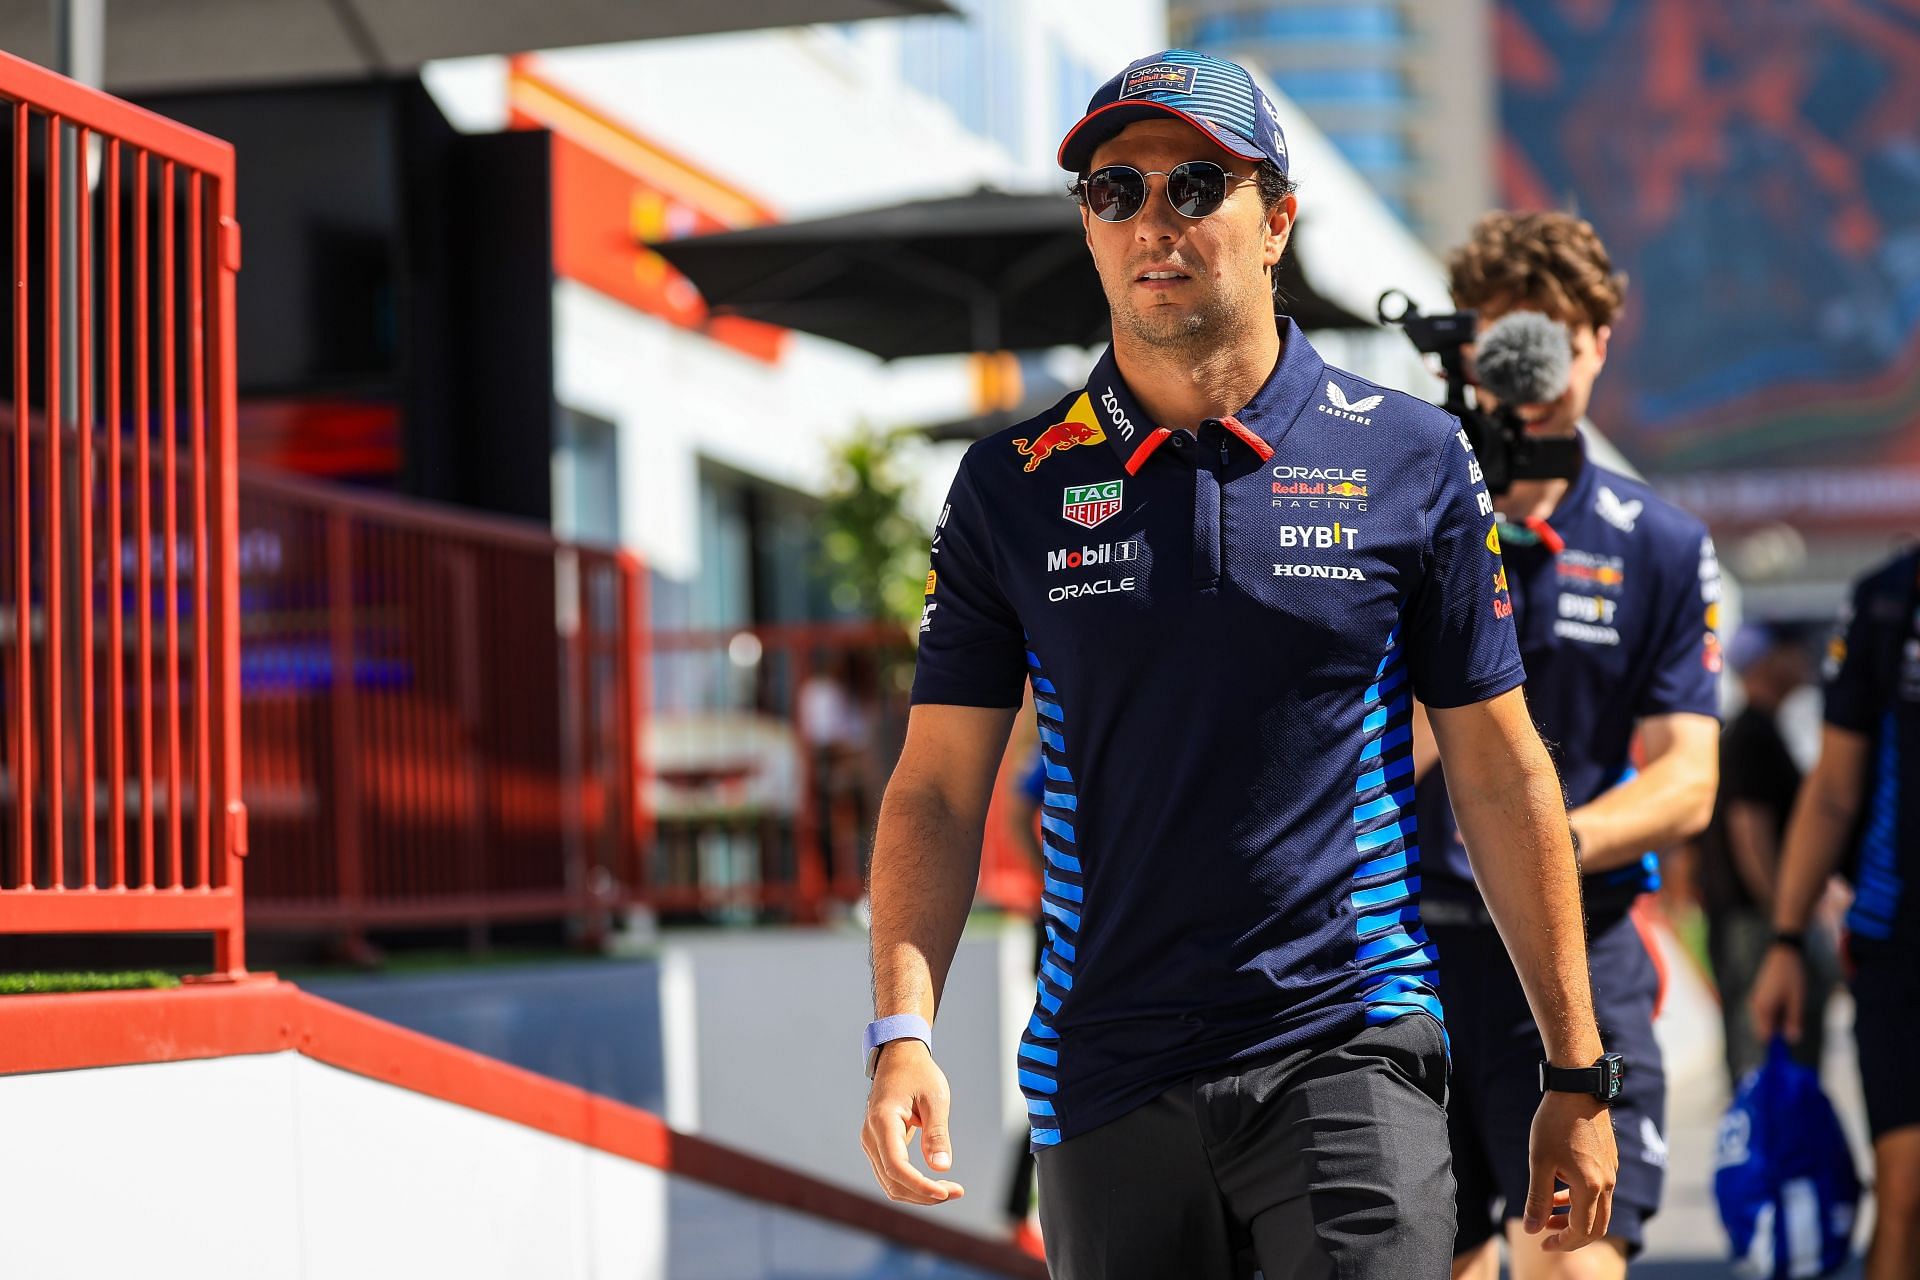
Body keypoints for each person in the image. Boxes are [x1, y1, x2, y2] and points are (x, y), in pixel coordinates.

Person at [857, 50, 1618, 1279]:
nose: (1153, 222)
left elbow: (1499, 770)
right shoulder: (1010, 486)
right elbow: (937, 787)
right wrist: (903, 1026)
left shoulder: (1412, 456)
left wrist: (1575, 1069)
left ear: (1276, 220)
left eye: (1195, 184)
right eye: (1116, 191)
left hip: (1348, 1044)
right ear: (1089, 230)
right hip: (1105, 1069)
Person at [1410, 211, 1722, 1280]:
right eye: (1506, 340)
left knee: (1574, 1265)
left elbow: (1689, 778)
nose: (1532, 368)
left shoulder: (1662, 543)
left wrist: (1537, 845)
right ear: (1466, 351)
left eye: (1559, 337)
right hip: (1405, 960)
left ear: (1599, 343)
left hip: (1580, 955)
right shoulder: (1400, 518)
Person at [1752, 544, 1920, 1280]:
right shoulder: (1889, 597)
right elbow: (1832, 790)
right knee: (1908, 1192)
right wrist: (1786, 941)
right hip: (1903, 941)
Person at [1698, 624, 1830, 1086]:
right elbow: (1749, 833)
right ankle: (1769, 1153)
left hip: (1750, 919)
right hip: (1755, 922)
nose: (1802, 659)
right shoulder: (1751, 733)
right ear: (1766, 663)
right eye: (1790, 650)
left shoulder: (1754, 729)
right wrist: (1785, 922)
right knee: (1768, 1051)